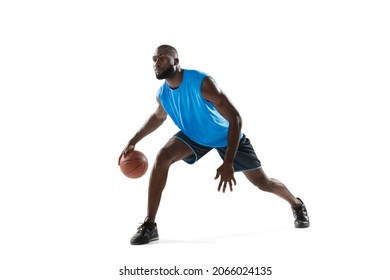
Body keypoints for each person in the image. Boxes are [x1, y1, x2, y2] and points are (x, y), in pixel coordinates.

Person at [119, 45, 310, 245]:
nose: (157, 63)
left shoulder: (202, 82)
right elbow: (158, 117)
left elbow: (235, 118)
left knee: (263, 182)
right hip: (195, 136)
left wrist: (229, 162)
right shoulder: (162, 94)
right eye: (155, 59)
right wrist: (133, 140)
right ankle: (150, 225)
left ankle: (296, 204)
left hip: (226, 136)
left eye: (163, 58)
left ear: (176, 61)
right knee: (163, 156)